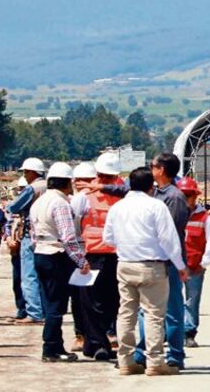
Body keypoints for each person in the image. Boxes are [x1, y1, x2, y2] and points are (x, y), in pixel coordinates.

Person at [102, 167, 188, 376]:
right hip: (152, 267)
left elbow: (108, 238)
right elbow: (169, 240)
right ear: (152, 186)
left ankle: (126, 361)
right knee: (154, 315)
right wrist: (180, 266)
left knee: (126, 314)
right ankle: (156, 362)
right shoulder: (156, 206)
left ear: (130, 184)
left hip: (124, 265)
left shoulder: (117, 208)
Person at [30, 161, 91, 362]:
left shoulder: (38, 201)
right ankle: (50, 348)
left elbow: (32, 233)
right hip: (56, 255)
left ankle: (55, 345)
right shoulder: (61, 203)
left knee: (49, 303)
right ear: (67, 183)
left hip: (40, 252)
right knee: (57, 305)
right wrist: (81, 261)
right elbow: (68, 237)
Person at [71, 153, 123, 361]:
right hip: (100, 255)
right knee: (99, 302)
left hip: (104, 255)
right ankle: (99, 343)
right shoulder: (87, 196)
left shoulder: (86, 196)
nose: (107, 180)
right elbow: (74, 224)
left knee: (102, 302)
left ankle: (96, 343)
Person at [150, 152, 191, 370]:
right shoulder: (156, 193)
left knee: (173, 309)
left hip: (171, 261)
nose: (151, 169)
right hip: (157, 260)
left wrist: (178, 263)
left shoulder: (174, 197)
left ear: (161, 170)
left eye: (152, 166)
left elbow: (172, 234)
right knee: (151, 310)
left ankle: (176, 355)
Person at [178, 177, 210, 348]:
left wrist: (204, 262)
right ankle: (170, 332)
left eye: (189, 195)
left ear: (195, 196)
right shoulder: (172, 214)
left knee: (192, 302)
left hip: (195, 268)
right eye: (183, 195)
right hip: (175, 266)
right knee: (171, 301)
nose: (187, 198)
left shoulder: (204, 218)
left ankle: (189, 333)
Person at [6, 157, 47, 323]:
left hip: (30, 234)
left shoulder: (32, 188)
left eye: (26, 172)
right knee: (44, 276)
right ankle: (44, 309)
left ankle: (34, 312)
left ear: (32, 172)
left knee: (29, 275)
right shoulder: (50, 186)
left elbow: (13, 207)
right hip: (48, 236)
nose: (25, 175)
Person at [69, 161, 97, 352]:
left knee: (88, 296)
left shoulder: (86, 199)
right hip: (82, 250)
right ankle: (81, 334)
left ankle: (86, 334)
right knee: (80, 296)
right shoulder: (79, 199)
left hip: (92, 250)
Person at [7, 177, 28, 319]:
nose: (21, 192)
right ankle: (21, 308)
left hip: (30, 246)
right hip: (17, 247)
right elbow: (7, 224)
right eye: (20, 189)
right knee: (18, 279)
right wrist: (9, 239)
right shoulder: (13, 207)